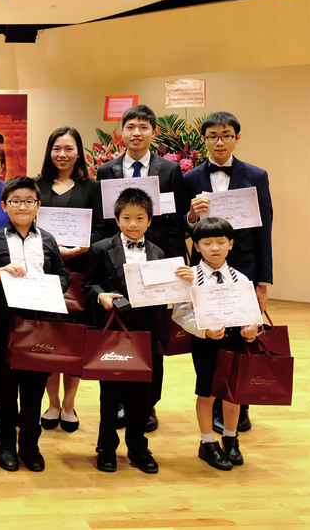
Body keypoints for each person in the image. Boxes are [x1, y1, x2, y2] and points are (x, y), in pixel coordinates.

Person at [95, 104, 190, 431]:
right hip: (116, 265)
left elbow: (176, 224)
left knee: (152, 336)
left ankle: (148, 404)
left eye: (143, 127)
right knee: (119, 333)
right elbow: (104, 221)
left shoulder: (168, 170)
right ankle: (120, 398)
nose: (137, 133)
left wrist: (177, 269)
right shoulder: (106, 170)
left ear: (153, 132)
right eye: (130, 127)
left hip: (157, 264)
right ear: (121, 132)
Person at [83, 188, 187, 475]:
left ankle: (138, 447)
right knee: (110, 394)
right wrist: (101, 296)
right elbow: (88, 284)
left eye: (139, 218)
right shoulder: (101, 248)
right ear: (116, 219)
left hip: (145, 331)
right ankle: (106, 448)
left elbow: (165, 291)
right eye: (126, 217)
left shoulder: (159, 252)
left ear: (150, 221)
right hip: (114, 329)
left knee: (142, 394)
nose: (132, 224)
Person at [183, 111, 273, 434]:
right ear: (204, 139)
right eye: (212, 136)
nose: (219, 141)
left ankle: (240, 404)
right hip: (205, 270)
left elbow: (265, 229)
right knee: (212, 338)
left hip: (244, 269)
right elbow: (183, 225)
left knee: (242, 339)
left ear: (237, 137)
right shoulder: (191, 178)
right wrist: (191, 217)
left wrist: (263, 282)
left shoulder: (256, 175)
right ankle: (215, 405)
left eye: (226, 135)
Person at [0, 176, 70, 472]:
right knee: (4, 388)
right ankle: (6, 445)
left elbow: (64, 277)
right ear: (4, 206)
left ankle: (30, 444)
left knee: (33, 389)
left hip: (39, 324)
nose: (22, 206)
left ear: (38, 206)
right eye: (15, 201)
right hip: (4, 323)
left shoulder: (49, 240)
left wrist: (50, 286)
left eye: (29, 200)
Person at [171, 217, 259, 471]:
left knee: (233, 393)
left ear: (231, 244)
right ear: (196, 246)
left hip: (234, 341)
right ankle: (207, 442)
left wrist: (251, 331)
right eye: (207, 243)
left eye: (221, 242)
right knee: (207, 392)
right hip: (206, 342)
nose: (215, 248)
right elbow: (180, 313)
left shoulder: (240, 278)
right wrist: (204, 331)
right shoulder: (190, 277)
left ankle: (231, 438)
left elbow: (251, 314)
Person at [34, 126, 103, 433]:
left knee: (75, 339)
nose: (62, 155)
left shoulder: (92, 187)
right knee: (49, 339)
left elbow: (103, 229)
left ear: (79, 152)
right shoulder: (36, 186)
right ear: (49, 152)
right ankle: (51, 402)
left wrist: (78, 249)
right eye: (56, 149)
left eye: (69, 149)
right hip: (44, 272)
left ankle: (70, 404)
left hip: (81, 273)